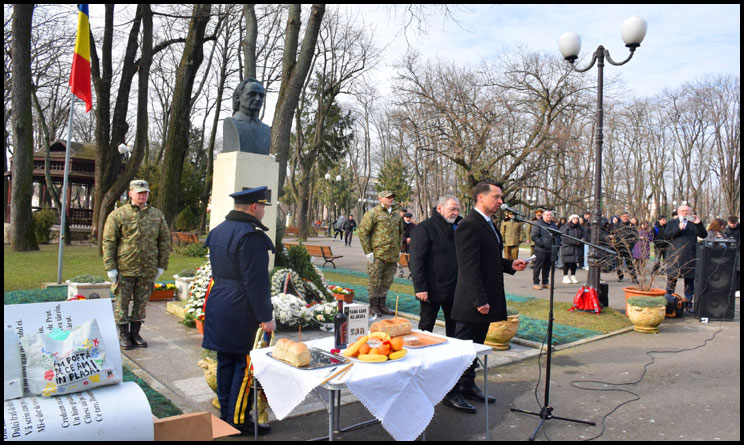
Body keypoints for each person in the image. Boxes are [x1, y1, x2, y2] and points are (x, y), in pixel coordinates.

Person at [446, 181, 526, 414]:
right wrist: (480, 300)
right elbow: (469, 267)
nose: (501, 201)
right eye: (497, 197)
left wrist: (510, 264)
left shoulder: (488, 223)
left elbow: (487, 260)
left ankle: (468, 385)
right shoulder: (469, 225)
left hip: (485, 298)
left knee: (475, 348)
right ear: (481, 198)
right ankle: (451, 392)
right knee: (462, 350)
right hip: (473, 301)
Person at [202, 186, 275, 436]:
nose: (264, 211)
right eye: (263, 206)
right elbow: (256, 283)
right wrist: (266, 317)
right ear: (255, 207)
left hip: (219, 300)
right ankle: (238, 420)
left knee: (225, 361)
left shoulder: (219, 231)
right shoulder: (250, 236)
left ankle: (225, 413)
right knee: (244, 364)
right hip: (241, 305)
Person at [103, 179, 170, 351]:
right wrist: (110, 267)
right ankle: (124, 334)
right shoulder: (118, 215)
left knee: (141, 303)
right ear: (130, 193)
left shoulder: (157, 215)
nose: (142, 195)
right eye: (139, 192)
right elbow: (109, 241)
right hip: (125, 267)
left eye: (145, 192)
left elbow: (164, 240)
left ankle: (135, 333)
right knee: (121, 303)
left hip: (147, 267)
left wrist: (161, 265)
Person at [409, 195, 462, 337]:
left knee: (455, 326)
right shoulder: (424, 228)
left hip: (454, 288)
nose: (455, 213)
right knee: (426, 326)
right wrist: (420, 288)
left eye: (457, 210)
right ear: (440, 208)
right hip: (431, 290)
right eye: (452, 209)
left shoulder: (460, 226)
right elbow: (416, 260)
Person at [358, 190, 404, 317]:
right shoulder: (373, 213)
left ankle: (382, 305)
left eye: (392, 197)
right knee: (375, 280)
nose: (391, 199)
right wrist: (368, 252)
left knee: (387, 280)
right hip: (378, 254)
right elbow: (363, 233)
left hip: (392, 254)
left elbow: (400, 233)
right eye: (388, 197)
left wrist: (399, 249)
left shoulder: (396, 215)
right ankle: (373, 306)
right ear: (380, 199)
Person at [664, 204, 707, 314]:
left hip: (690, 255)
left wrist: (699, 224)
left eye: (687, 211)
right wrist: (678, 229)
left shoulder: (694, 224)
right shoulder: (672, 223)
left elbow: (704, 235)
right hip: (675, 255)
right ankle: (668, 303)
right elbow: (666, 236)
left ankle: (688, 304)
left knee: (689, 281)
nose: (685, 213)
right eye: (682, 211)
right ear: (678, 212)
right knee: (671, 280)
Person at [223, 78, 271, 154]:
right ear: (238, 97)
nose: (258, 99)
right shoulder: (231, 123)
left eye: (261, 96)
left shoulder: (266, 129)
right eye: (252, 94)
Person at [531, 209, 557, 290]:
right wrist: (542, 243)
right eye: (547, 215)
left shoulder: (553, 225)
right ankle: (536, 283)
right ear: (543, 216)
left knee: (547, 267)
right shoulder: (538, 224)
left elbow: (557, 235)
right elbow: (534, 236)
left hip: (551, 249)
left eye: (550, 215)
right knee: (538, 266)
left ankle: (545, 282)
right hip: (541, 249)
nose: (549, 216)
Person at [610, 212, 639, 283]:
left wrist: (631, 243)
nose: (625, 218)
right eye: (624, 216)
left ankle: (634, 278)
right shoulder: (616, 225)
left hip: (628, 247)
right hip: (618, 247)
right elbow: (611, 234)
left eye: (627, 216)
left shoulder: (631, 226)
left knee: (630, 263)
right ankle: (620, 276)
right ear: (621, 217)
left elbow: (636, 236)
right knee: (618, 263)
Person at [559, 214, 584, 284]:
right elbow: (564, 238)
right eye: (574, 219)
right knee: (566, 262)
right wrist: (575, 242)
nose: (575, 220)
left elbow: (584, 236)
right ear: (571, 219)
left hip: (577, 248)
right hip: (568, 248)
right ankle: (565, 276)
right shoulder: (566, 227)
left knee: (574, 263)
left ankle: (573, 275)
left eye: (577, 219)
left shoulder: (580, 228)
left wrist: (581, 241)